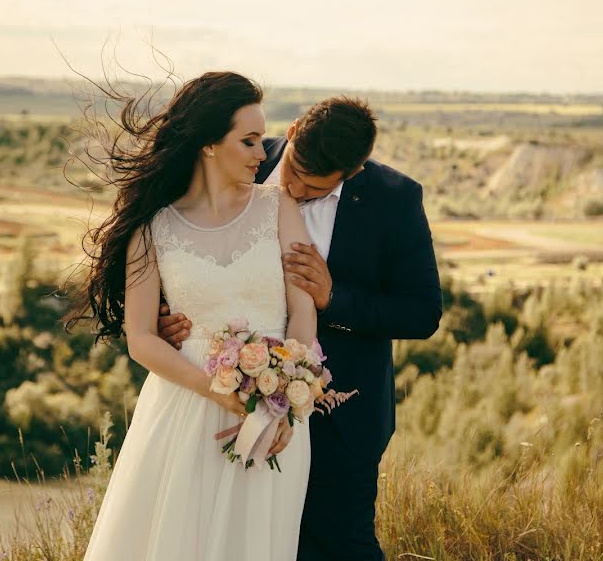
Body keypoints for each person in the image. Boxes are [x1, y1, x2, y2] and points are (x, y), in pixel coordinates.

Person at [159, 96, 443, 560]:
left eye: (312, 188)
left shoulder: (395, 200)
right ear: (291, 132)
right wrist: (170, 315)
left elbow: (422, 312)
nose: (291, 188)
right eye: (291, 170)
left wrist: (335, 298)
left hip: (341, 419)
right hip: (222, 405)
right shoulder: (238, 158)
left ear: (352, 172)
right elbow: (181, 247)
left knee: (341, 546)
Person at [67, 71, 316, 561]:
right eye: (246, 141)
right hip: (182, 405)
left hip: (272, 416)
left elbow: (302, 313)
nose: (260, 154)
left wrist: (283, 401)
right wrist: (220, 392)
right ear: (207, 144)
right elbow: (141, 339)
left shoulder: (279, 207)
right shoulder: (151, 225)